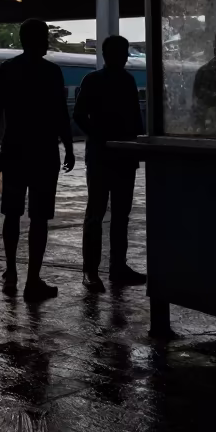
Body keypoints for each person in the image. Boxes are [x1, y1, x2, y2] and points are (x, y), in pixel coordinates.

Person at [0, 19, 75, 302]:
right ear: (39, 40)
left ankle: (11, 270)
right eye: (46, 36)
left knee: (11, 212)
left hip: (13, 150)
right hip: (44, 152)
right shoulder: (52, 72)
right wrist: (70, 147)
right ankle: (33, 280)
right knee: (39, 217)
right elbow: (61, 113)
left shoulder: (6, 69)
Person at [72, 36, 147, 292]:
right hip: (109, 155)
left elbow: (80, 116)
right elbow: (79, 114)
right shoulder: (104, 81)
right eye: (121, 52)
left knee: (113, 215)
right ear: (109, 55)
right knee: (102, 214)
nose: (125, 57)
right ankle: (94, 271)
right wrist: (106, 138)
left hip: (113, 155)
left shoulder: (120, 80)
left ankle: (111, 268)